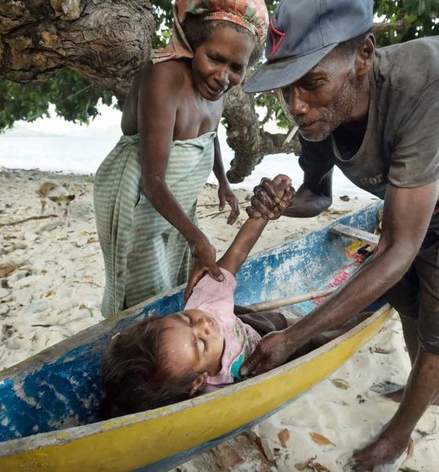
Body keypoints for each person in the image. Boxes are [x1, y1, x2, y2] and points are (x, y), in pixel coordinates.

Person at [239, 0, 439, 469]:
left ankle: (400, 431)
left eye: (312, 82)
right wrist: (276, 204)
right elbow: (318, 196)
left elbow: (398, 247)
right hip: (421, 201)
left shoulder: (425, 83)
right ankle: (422, 385)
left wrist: (294, 339)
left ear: (364, 54)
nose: (295, 105)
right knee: (409, 297)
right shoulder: (319, 115)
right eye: (285, 87)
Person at [93, 0, 268, 317]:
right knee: (143, 291)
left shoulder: (216, 87)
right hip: (139, 196)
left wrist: (223, 181)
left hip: (175, 197)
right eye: (215, 59)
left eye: (236, 68)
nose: (223, 76)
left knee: (175, 275)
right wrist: (198, 238)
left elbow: (209, 135)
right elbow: (152, 179)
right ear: (192, 45)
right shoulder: (164, 78)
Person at [100, 175, 296, 416]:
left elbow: (237, 254)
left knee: (292, 329)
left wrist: (262, 213)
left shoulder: (205, 303)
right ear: (198, 382)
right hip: (253, 358)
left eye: (185, 319)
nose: (203, 324)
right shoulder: (210, 394)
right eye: (201, 344)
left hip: (253, 328)